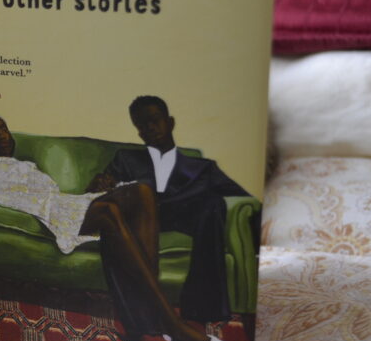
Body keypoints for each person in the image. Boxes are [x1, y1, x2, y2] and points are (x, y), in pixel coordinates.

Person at [0, 113, 239, 341]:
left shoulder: (28, 165)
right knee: (111, 210)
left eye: (5, 130)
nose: (3, 135)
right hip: (53, 214)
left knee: (140, 191)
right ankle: (174, 326)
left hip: (66, 203)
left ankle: (158, 325)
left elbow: (55, 194)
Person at [88, 96, 250, 324]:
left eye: (154, 120)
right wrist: (98, 184)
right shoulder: (125, 159)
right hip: (141, 219)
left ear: (170, 122)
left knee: (213, 205)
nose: (149, 128)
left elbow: (245, 199)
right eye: (142, 124)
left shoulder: (202, 168)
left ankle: (199, 310)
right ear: (138, 131)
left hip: (184, 215)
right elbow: (95, 197)